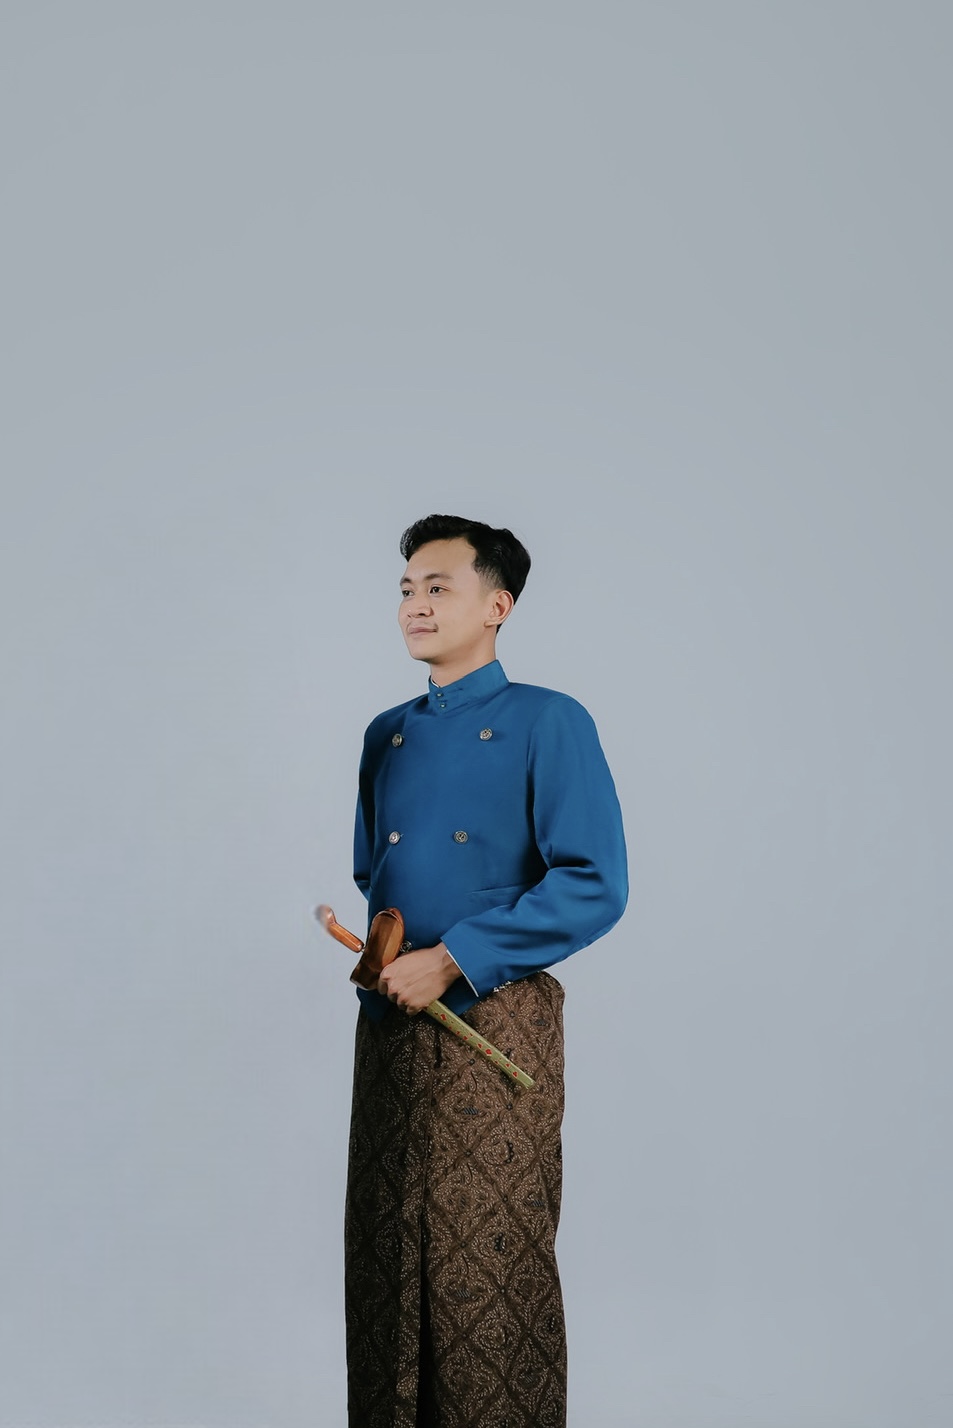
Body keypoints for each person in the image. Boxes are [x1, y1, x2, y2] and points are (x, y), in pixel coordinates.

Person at [345, 514, 628, 1428]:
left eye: (439, 588)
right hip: (392, 1018)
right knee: (386, 1261)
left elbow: (594, 883)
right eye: (406, 590)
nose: (415, 605)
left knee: (485, 1258)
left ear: (497, 606)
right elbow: (375, 872)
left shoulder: (550, 720)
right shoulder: (386, 734)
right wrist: (388, 956)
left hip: (494, 1017)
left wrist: (455, 957)